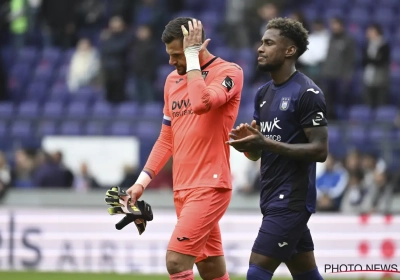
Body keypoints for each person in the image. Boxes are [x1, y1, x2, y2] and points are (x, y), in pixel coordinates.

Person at [126, 17, 244, 280]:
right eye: (169, 55)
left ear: (195, 48)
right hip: (183, 189)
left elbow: (202, 102)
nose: (171, 62)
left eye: (177, 54)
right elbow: (166, 138)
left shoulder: (229, 72)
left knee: (176, 261)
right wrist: (141, 183)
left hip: (210, 186)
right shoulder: (171, 81)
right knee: (211, 268)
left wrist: (191, 59)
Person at [227, 18, 328, 280]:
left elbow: (320, 150)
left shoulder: (308, 93)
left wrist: (265, 143)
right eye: (261, 42)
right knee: (306, 273)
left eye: (269, 43)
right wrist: (248, 147)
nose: (260, 48)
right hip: (271, 195)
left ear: (289, 50)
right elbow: (260, 151)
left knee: (256, 269)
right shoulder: (263, 94)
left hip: (292, 199)